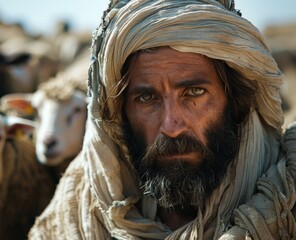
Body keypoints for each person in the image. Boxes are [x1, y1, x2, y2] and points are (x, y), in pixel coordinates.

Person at [29, 0, 296, 239]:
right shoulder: (73, 213)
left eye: (194, 92)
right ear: (119, 114)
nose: (171, 126)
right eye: (147, 99)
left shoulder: (287, 196)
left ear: (235, 101)